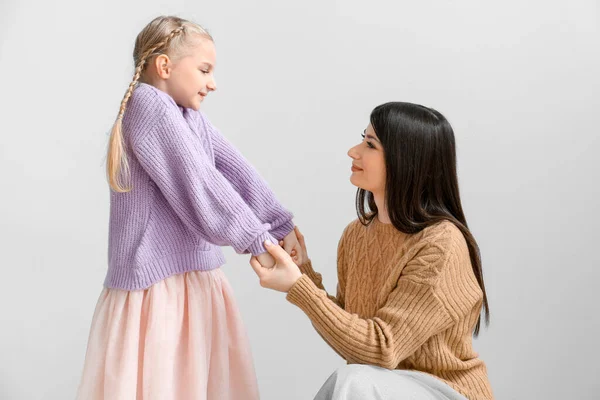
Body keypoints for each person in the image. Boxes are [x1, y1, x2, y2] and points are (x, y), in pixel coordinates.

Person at [76, 15, 302, 400]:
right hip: (159, 289)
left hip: (187, 279)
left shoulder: (184, 114)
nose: (212, 83)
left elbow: (232, 166)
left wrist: (280, 224)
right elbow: (202, 186)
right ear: (164, 66)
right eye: (204, 70)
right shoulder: (151, 108)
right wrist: (259, 239)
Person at [251, 102, 494, 399]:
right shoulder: (356, 235)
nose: (354, 152)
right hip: (384, 387)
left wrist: (299, 288)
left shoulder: (441, 244)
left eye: (370, 144)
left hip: (446, 391)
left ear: (406, 159)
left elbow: (382, 347)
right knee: (354, 380)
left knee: (352, 381)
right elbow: (355, 334)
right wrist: (302, 272)